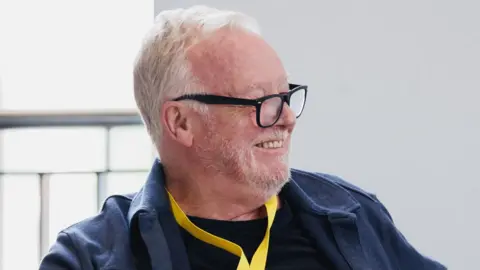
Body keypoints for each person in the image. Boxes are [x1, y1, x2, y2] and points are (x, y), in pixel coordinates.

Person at [40, 5, 446, 270]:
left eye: (286, 95)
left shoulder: (355, 214)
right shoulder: (88, 258)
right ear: (180, 122)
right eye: (261, 101)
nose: (286, 118)